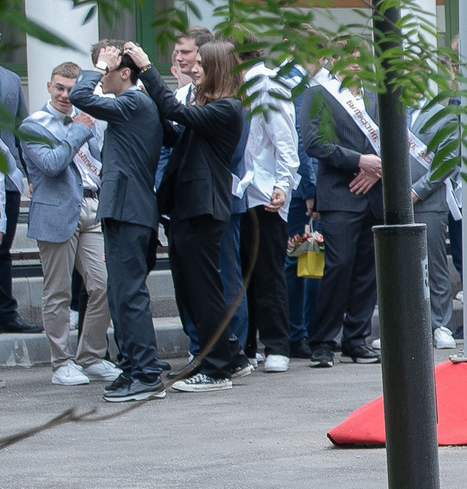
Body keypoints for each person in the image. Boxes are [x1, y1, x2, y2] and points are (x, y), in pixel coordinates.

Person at [131, 39, 245, 390]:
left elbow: (174, 110)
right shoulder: (210, 107)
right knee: (191, 289)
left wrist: (148, 69)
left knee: (204, 290)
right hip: (188, 209)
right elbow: (175, 131)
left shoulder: (227, 108)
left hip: (203, 209)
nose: (192, 69)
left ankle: (217, 370)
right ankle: (227, 356)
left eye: (200, 65)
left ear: (218, 70)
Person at [69, 45, 166, 400]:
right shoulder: (133, 105)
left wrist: (98, 66)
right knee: (119, 294)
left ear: (125, 73)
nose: (103, 76)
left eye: (109, 70)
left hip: (130, 209)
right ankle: (133, 368)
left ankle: (146, 372)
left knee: (129, 294)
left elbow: (81, 95)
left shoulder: (134, 102)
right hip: (123, 208)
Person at [20, 61, 115, 386]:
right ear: (48, 87)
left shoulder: (85, 120)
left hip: (91, 206)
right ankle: (61, 363)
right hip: (56, 212)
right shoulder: (34, 124)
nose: (64, 95)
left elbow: (97, 164)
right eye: (59, 88)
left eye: (72, 90)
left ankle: (90, 356)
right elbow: (52, 164)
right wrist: (77, 129)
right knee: (58, 292)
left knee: (104, 284)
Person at [296, 59, 385, 368]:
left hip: (374, 192)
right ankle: (322, 341)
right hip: (339, 195)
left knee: (367, 270)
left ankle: (356, 339)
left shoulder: (377, 95)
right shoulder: (319, 93)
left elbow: (397, 138)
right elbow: (314, 143)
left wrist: (375, 170)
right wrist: (359, 160)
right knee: (339, 266)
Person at [235, 54, 301, 371]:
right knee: (241, 273)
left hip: (264, 193)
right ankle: (247, 346)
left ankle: (277, 345)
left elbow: (286, 142)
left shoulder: (268, 86)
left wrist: (283, 184)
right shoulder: (234, 84)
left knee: (268, 272)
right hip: (236, 194)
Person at [0, 57, 27, 336]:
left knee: (2, 249)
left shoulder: (11, 79)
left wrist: (29, 173)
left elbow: (21, 127)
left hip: (6, 176)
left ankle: (5, 313)